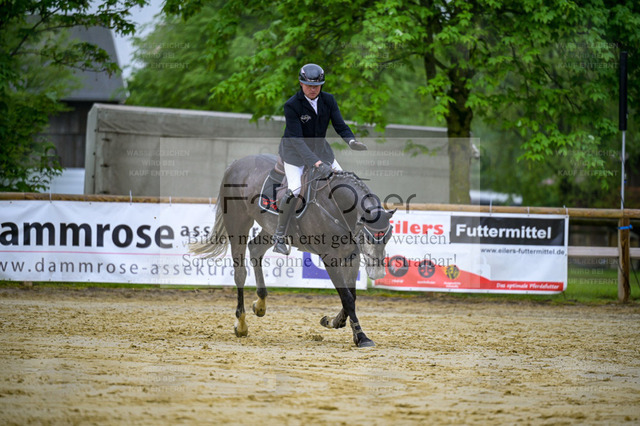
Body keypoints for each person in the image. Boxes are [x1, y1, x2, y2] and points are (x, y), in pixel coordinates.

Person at [273, 63, 367, 255]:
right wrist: (316, 163)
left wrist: (351, 141)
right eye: (309, 85)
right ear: (301, 83)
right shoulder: (292, 105)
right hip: (294, 154)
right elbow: (297, 140)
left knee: (345, 183)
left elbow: (340, 125)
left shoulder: (329, 100)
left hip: (321, 151)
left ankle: (350, 230)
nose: (313, 89)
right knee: (295, 189)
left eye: (317, 86)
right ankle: (279, 236)